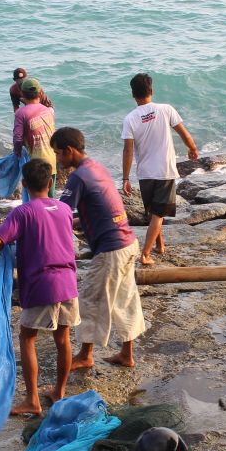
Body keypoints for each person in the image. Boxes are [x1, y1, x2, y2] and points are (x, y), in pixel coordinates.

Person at [0, 160, 78, 416]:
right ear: (50, 182)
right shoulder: (64, 209)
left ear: (24, 184)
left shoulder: (23, 212)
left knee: (28, 337)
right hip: (68, 282)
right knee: (63, 339)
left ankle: (33, 400)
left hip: (41, 284)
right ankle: (59, 391)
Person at [52, 127, 145, 369]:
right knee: (125, 299)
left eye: (59, 154)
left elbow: (61, 213)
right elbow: (95, 209)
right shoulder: (96, 167)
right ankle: (126, 354)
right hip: (128, 243)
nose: (58, 159)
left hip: (111, 249)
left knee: (91, 299)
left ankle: (85, 355)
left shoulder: (78, 177)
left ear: (70, 151)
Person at [120, 73, 200, 266]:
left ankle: (160, 246)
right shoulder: (165, 109)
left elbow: (128, 150)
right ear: (151, 91)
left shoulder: (130, 118)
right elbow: (183, 133)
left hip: (145, 173)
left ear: (133, 94)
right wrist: (192, 148)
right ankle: (146, 254)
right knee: (158, 214)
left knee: (154, 212)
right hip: (164, 170)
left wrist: (125, 178)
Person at [13, 78, 57, 193]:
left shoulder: (21, 113)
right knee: (50, 197)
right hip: (52, 159)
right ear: (40, 93)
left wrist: (17, 154)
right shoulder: (49, 111)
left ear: (22, 94)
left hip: (36, 164)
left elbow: (17, 138)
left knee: (35, 198)